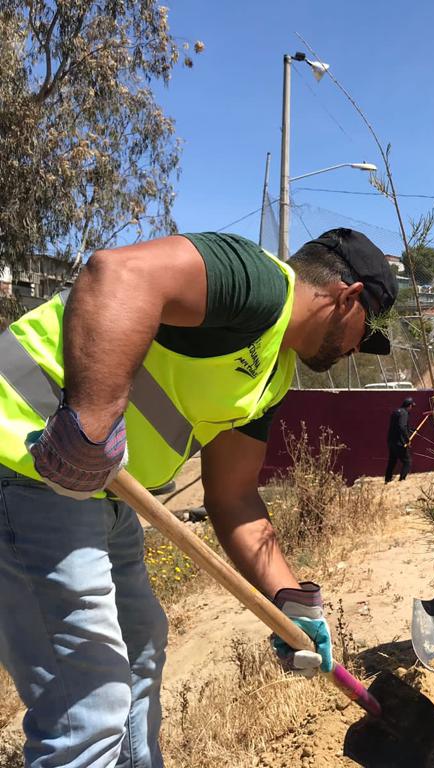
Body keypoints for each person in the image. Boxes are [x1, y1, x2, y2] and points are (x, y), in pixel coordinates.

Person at [0, 227, 397, 768]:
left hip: (103, 493)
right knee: (87, 709)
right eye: (364, 332)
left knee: (141, 650)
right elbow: (116, 273)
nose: (356, 348)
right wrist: (90, 420)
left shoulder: (271, 376)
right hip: (25, 455)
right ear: (348, 298)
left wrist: (291, 602)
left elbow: (233, 496)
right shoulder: (257, 284)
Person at [385, 396, 415, 482]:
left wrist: (411, 430)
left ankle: (387, 480)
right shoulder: (404, 413)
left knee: (392, 461)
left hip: (391, 441)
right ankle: (402, 480)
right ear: (409, 406)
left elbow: (398, 426)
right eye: (411, 406)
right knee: (407, 461)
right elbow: (402, 426)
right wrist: (407, 439)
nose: (411, 408)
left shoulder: (396, 412)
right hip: (399, 442)